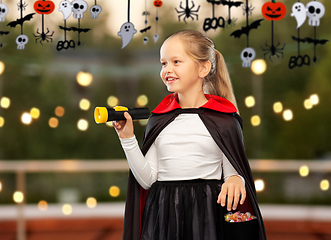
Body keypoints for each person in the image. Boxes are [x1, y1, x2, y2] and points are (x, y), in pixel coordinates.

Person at [113, 30, 266, 240]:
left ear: (203, 68)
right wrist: (128, 139)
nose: (167, 69)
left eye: (176, 61)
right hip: (163, 212)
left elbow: (233, 170)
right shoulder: (159, 119)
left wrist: (235, 179)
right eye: (163, 63)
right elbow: (147, 179)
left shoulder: (225, 120)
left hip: (208, 213)